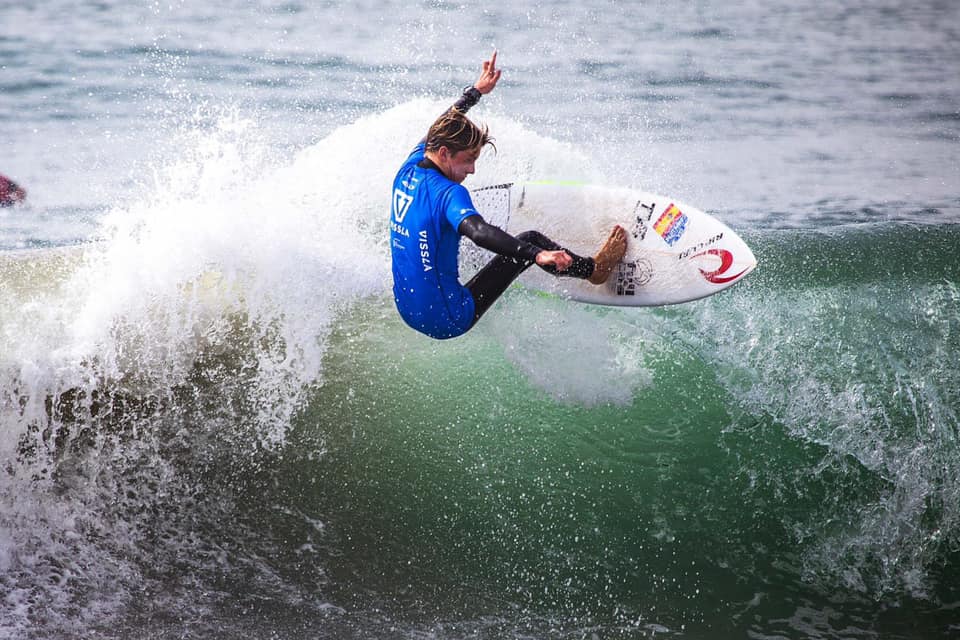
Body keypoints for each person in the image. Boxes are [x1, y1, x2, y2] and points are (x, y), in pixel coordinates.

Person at [389, 51, 627, 339]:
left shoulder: (410, 166)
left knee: (446, 235)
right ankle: (593, 270)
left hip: (407, 309)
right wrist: (536, 254)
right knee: (529, 240)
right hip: (449, 317)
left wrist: (475, 92)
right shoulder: (450, 194)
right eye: (467, 160)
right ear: (444, 153)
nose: (472, 170)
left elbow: (441, 124)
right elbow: (479, 232)